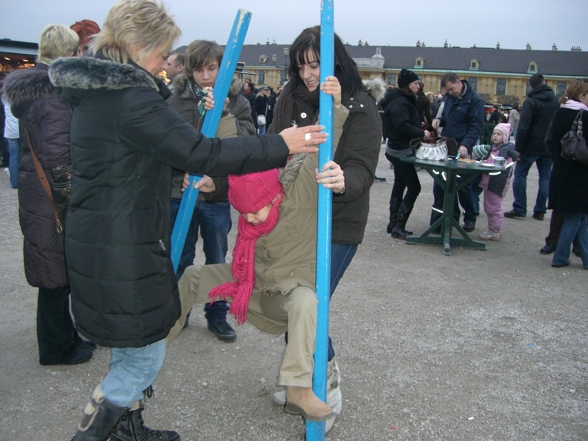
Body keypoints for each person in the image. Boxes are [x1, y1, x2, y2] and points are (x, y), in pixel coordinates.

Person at [47, 1, 325, 439]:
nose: (166, 61)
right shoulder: (128, 98)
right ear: (138, 47)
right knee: (144, 356)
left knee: (131, 342)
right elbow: (201, 152)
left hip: (109, 234)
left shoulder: (104, 95)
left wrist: (200, 153)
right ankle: (96, 431)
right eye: (162, 51)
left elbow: (142, 153)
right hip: (121, 241)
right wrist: (281, 143)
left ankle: (127, 428)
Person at [168, 75, 348, 432]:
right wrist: (218, 111)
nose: (250, 219)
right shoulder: (253, 206)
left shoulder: (299, 199)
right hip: (246, 284)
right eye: (244, 213)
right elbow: (234, 151)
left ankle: (297, 385)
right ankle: (157, 334)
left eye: (258, 211)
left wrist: (337, 108)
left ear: (275, 196)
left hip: (281, 296)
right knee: (190, 276)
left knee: (308, 300)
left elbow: (323, 144)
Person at [266, 25, 383, 431]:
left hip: (338, 224)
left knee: (311, 306)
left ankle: (323, 385)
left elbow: (363, 168)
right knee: (290, 303)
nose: (308, 74)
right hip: (293, 220)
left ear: (337, 61)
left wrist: (343, 179)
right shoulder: (288, 98)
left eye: (315, 64)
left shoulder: (361, 105)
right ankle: (299, 378)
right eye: (301, 67)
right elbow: (271, 150)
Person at [3, 24, 96, 368]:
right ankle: (57, 349)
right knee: (55, 275)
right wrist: (81, 200)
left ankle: (65, 338)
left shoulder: (36, 91)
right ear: (66, 53)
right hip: (54, 199)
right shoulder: (54, 94)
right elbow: (60, 160)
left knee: (54, 271)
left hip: (39, 196)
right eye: (76, 51)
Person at [166, 39, 256, 342]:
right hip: (181, 195)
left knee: (217, 258)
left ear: (222, 67)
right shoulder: (176, 101)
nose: (205, 76)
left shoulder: (238, 100)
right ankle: (178, 312)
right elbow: (165, 144)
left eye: (212, 68)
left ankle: (217, 315)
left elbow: (245, 146)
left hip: (217, 197)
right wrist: (177, 174)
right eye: (199, 69)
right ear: (189, 70)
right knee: (180, 257)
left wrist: (224, 114)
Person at [380, 68, 431, 239]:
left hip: (396, 148)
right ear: (407, 85)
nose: (418, 86)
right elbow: (402, 126)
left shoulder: (399, 100)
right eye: (416, 83)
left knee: (400, 183)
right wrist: (421, 133)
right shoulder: (401, 102)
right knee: (414, 187)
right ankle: (398, 225)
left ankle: (393, 223)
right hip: (400, 149)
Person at [431, 72, 484, 232]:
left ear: (459, 82)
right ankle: (446, 220)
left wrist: (466, 145)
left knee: (463, 186)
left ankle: (470, 217)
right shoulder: (450, 98)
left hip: (463, 147)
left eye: (451, 89)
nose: (450, 93)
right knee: (441, 185)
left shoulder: (475, 100)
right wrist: (440, 120)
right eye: (447, 91)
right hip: (448, 146)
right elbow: (448, 117)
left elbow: (476, 126)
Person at [544, 79, 588, 269]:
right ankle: (561, 257)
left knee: (579, 215)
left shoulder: (559, 112)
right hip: (579, 171)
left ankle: (585, 257)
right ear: (582, 95)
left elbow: (550, 141)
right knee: (575, 215)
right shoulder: (584, 116)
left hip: (561, 169)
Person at [504, 74, 559, 221]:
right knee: (545, 177)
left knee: (521, 175)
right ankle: (540, 210)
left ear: (531, 86)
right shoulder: (555, 101)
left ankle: (520, 208)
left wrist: (519, 148)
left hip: (530, 145)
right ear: (544, 82)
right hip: (548, 145)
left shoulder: (531, 101)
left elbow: (524, 127)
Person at [471, 123, 519, 241]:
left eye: (499, 134)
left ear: (505, 136)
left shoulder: (505, 149)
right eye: (494, 134)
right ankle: (492, 229)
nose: (495, 136)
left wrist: (487, 163)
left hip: (497, 182)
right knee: (489, 206)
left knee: (493, 207)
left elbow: (499, 163)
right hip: (490, 181)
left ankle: (495, 231)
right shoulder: (495, 148)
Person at [2, 93, 19, 188]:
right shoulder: (22, 95)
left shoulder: (5, 96)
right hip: (22, 130)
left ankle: (14, 182)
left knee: (13, 158)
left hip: (10, 131)